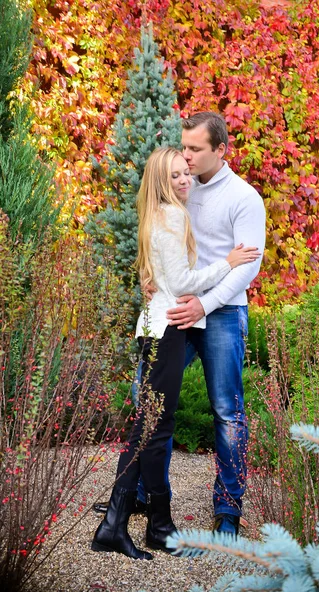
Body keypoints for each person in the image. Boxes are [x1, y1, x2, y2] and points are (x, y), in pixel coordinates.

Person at [91, 146, 261, 560]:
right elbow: (185, 280)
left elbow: (165, 274)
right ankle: (149, 525)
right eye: (175, 176)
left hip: (159, 325)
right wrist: (228, 261)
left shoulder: (160, 214)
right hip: (167, 328)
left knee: (148, 425)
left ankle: (128, 525)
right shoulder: (171, 215)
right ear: (160, 183)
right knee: (154, 428)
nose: (184, 180)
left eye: (186, 172)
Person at [167, 112, 266, 536]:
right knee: (148, 395)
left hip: (222, 311)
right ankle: (142, 491)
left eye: (195, 149)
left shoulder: (245, 198)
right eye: (183, 146)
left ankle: (228, 507)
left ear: (221, 150)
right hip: (180, 304)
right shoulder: (179, 187)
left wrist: (204, 306)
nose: (185, 156)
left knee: (227, 412)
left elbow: (247, 268)